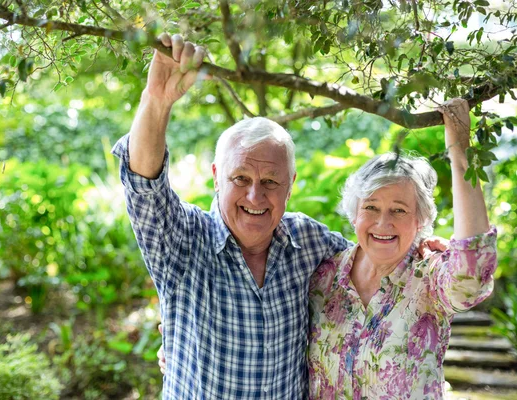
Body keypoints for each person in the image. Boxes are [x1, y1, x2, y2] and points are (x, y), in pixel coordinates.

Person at [111, 32, 351, 399]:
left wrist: (426, 250)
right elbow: (144, 185)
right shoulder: (183, 239)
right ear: (216, 177)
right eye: (240, 178)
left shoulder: (311, 242)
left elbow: (375, 258)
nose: (255, 196)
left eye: (271, 181)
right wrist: (157, 100)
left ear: (291, 185)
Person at [307, 98, 497, 399]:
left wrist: (459, 151)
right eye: (371, 207)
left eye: (398, 210)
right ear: (354, 213)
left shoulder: (429, 278)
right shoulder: (324, 277)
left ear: (420, 219)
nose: (382, 223)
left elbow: (472, 275)